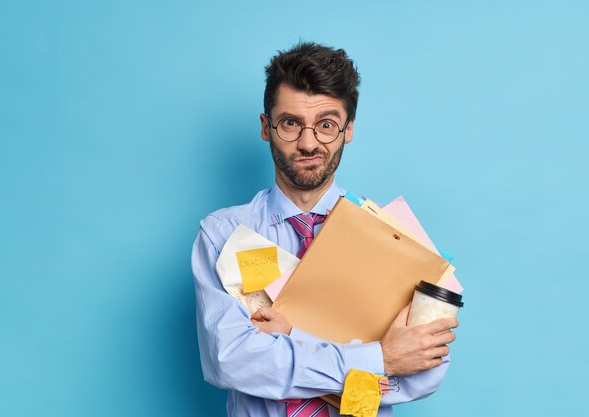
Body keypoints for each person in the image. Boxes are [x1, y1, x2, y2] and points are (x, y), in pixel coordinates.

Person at [191, 42, 458, 417]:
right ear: (266, 128)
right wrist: (379, 358)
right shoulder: (223, 234)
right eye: (290, 123)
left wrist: (288, 341)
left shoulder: (396, 239)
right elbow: (233, 361)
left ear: (348, 130)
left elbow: (425, 371)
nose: (308, 142)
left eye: (327, 125)